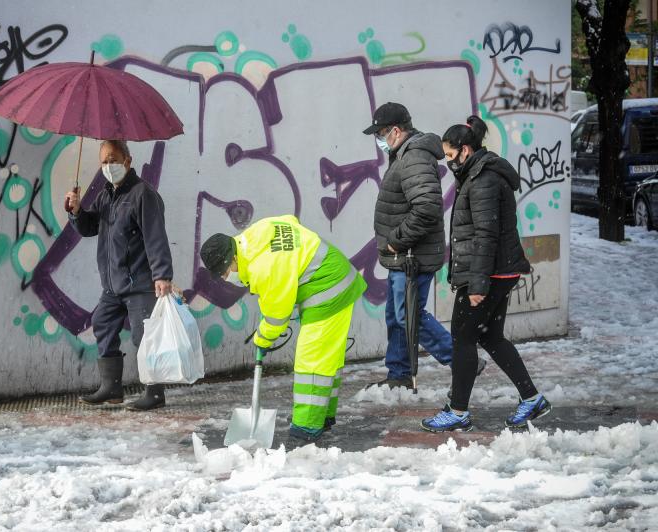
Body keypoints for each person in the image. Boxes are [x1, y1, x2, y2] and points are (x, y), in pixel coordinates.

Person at [421, 116, 551, 432]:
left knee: (462, 339)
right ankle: (532, 399)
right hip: (497, 271)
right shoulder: (477, 173)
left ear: (466, 150)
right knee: (490, 336)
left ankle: (458, 412)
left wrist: (477, 282)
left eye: (451, 156)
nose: (449, 163)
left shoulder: (483, 181)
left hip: (488, 274)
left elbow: (486, 235)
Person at [200, 215, 366, 442]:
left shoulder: (263, 268)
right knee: (328, 358)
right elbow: (290, 219)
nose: (228, 278)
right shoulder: (254, 235)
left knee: (312, 361)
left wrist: (262, 338)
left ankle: (306, 429)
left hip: (327, 288)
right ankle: (323, 416)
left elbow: (278, 316)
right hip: (335, 276)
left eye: (225, 273)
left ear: (232, 261)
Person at [363, 102, 485, 391]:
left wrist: (396, 240)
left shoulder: (414, 156)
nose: (378, 141)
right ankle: (399, 374)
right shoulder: (404, 153)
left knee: (409, 315)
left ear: (395, 131)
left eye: (380, 134)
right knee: (397, 315)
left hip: (410, 256)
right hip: (403, 256)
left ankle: (462, 361)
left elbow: (428, 208)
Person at [65, 139, 174, 410]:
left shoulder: (143, 195)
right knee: (103, 322)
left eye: (113, 159)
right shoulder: (107, 196)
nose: (108, 166)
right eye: (104, 161)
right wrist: (76, 212)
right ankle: (111, 388)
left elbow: (155, 236)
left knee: (144, 336)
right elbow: (91, 227)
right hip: (113, 285)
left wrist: (162, 275)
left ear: (128, 160)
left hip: (140, 283)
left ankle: (154, 392)